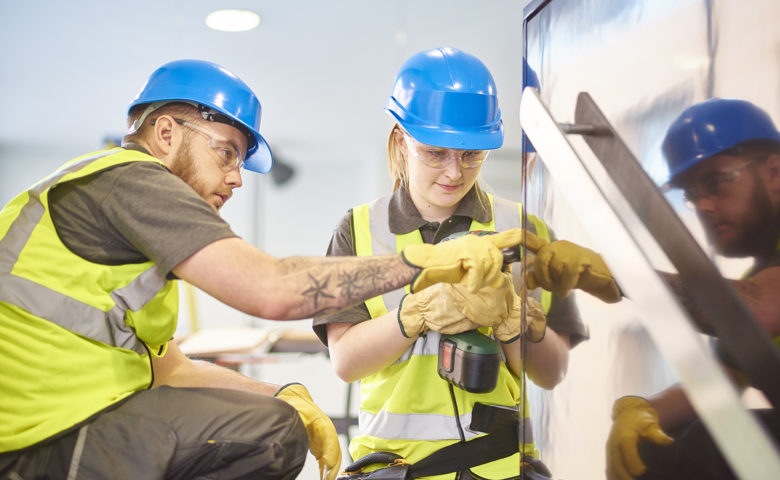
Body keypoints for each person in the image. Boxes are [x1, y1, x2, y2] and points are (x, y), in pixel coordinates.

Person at [0, 59, 528, 480]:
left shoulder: (115, 209)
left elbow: (170, 370)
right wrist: (423, 263)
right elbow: (272, 290)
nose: (236, 178)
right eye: (227, 153)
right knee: (272, 434)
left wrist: (283, 394)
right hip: (39, 441)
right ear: (165, 133)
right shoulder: (133, 180)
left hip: (47, 429)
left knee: (275, 415)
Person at [313, 47, 621, 480]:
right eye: (435, 153)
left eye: (471, 154)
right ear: (401, 141)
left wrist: (512, 319)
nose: (454, 172)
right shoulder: (359, 229)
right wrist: (415, 313)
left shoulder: (523, 227)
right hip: (398, 466)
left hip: (500, 466)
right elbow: (345, 361)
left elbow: (553, 371)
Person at [606, 98, 780, 480]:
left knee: (705, 446)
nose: (703, 206)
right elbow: (718, 386)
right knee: (666, 440)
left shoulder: (763, 289)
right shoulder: (763, 270)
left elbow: (760, 310)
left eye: (716, 183)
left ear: (775, 172)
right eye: (691, 193)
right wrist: (644, 411)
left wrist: (610, 275)